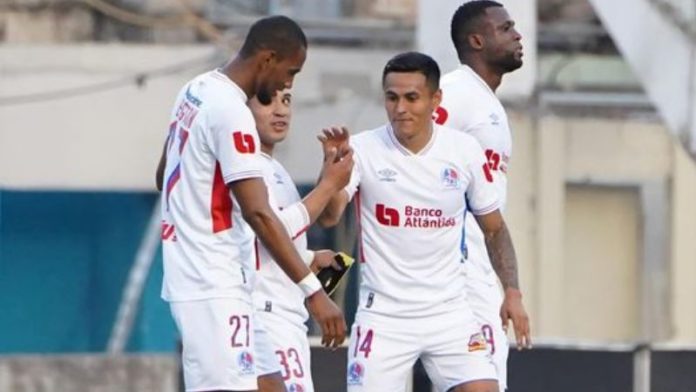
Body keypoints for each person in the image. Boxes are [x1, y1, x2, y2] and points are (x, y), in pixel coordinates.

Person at [156, 15, 350, 392]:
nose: (287, 85)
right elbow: (259, 213)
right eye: (290, 71)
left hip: (225, 281)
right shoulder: (232, 113)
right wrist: (314, 292)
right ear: (267, 59)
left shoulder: (194, 90)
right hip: (211, 283)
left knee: (272, 386)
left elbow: (162, 176)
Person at [319, 51, 526, 392]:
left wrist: (513, 292)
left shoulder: (464, 151)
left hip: (449, 314)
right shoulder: (362, 149)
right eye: (392, 97)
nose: (401, 108)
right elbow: (330, 216)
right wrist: (329, 178)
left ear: (436, 100)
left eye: (412, 98)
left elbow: (495, 229)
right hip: (384, 317)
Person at [435, 2, 531, 389]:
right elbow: (409, 150)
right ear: (477, 40)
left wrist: (510, 288)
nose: (518, 35)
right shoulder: (454, 92)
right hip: (453, 276)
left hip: (478, 274)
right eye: (506, 28)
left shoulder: (489, 104)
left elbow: (491, 216)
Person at [248, 88, 346, 392]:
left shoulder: (275, 169)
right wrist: (328, 185)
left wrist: (309, 258)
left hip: (286, 316)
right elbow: (271, 227)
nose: (280, 110)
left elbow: (264, 242)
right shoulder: (247, 166)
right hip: (266, 314)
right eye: (267, 100)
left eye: (286, 100)